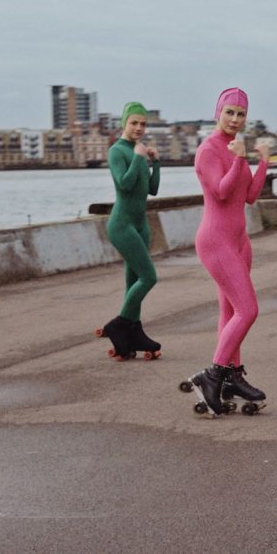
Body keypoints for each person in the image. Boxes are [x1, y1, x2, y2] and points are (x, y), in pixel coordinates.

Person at [186, 87, 271, 416]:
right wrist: (239, 158)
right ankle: (213, 375)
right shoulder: (208, 150)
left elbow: (249, 196)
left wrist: (262, 162)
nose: (235, 119)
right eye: (229, 112)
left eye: (241, 114)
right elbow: (221, 192)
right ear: (217, 113)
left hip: (239, 241)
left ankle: (231, 376)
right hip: (215, 241)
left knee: (230, 312)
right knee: (248, 310)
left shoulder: (235, 148)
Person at [97, 101, 162, 360]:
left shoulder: (139, 151)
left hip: (140, 225)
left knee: (133, 283)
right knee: (149, 277)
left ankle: (130, 337)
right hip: (122, 225)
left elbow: (152, 189)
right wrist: (138, 157)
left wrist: (156, 162)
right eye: (134, 122)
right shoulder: (117, 151)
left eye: (143, 124)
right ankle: (120, 325)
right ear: (124, 123)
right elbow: (124, 184)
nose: (138, 128)